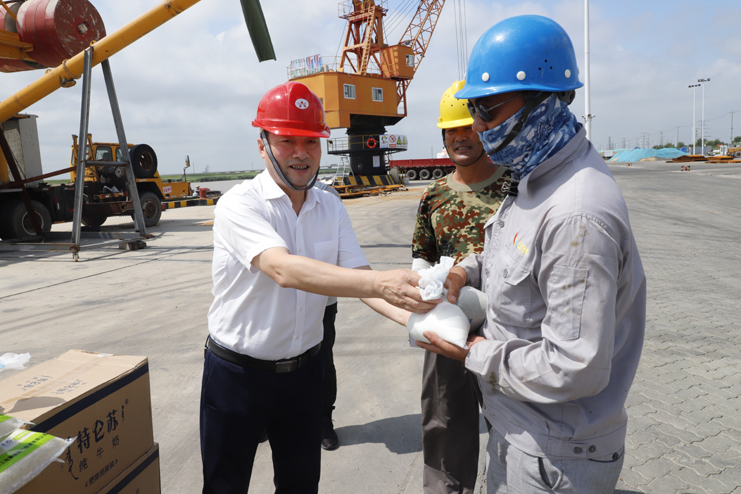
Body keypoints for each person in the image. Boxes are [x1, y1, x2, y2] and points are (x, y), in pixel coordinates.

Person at [417, 15, 646, 494]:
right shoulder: (532, 179)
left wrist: (471, 351)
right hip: (523, 430)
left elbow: (573, 367)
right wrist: (463, 273)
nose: (476, 126)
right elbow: (509, 254)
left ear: (543, 102)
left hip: (554, 455)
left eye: (486, 109)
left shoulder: (576, 213)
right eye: (472, 111)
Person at [200, 81, 435, 494]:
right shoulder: (239, 204)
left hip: (304, 376)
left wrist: (420, 321)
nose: (301, 153)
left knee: (302, 483)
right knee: (225, 485)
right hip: (237, 376)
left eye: (311, 141)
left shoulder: (329, 205)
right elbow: (282, 268)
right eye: (287, 140)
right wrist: (380, 281)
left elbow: (361, 279)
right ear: (262, 145)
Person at [411, 80, 510, 494]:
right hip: (448, 326)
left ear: (485, 128)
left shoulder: (516, 186)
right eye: (451, 130)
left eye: (467, 127)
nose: (460, 137)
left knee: (514, 425)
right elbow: (422, 258)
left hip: (507, 328)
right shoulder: (434, 196)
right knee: (445, 422)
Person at [313, 180, 342, 451]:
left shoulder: (328, 195)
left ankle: (324, 420)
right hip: (279, 300)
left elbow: (343, 248)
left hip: (322, 300)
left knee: (323, 360)